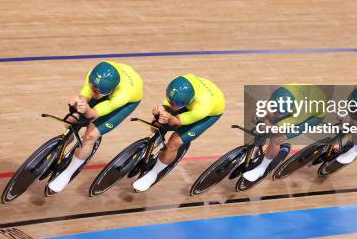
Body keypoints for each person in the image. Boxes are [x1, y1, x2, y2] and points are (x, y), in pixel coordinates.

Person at [48, 60, 143, 192]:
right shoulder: (93, 76)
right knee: (72, 118)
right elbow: (84, 99)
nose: (96, 92)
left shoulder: (123, 95)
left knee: (90, 136)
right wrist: (77, 103)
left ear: (112, 88)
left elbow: (93, 114)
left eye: (101, 90)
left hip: (126, 101)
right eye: (93, 87)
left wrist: (86, 109)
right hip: (112, 81)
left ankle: (67, 174)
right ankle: (67, 138)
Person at [132, 74, 225, 192]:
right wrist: (158, 114)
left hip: (208, 114)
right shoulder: (178, 88)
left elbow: (176, 121)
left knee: (174, 142)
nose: (173, 105)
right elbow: (168, 106)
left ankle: (153, 174)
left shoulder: (203, 106)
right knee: (156, 122)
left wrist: (169, 117)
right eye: (171, 101)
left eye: (178, 104)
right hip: (190, 101)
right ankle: (157, 139)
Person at [243, 84, 328, 182]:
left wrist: (268, 126)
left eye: (278, 113)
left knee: (276, 138)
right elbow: (270, 111)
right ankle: (257, 147)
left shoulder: (298, 114)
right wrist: (263, 118)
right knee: (267, 119)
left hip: (314, 116)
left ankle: (261, 169)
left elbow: (278, 128)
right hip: (308, 96)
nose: (274, 113)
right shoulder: (281, 92)